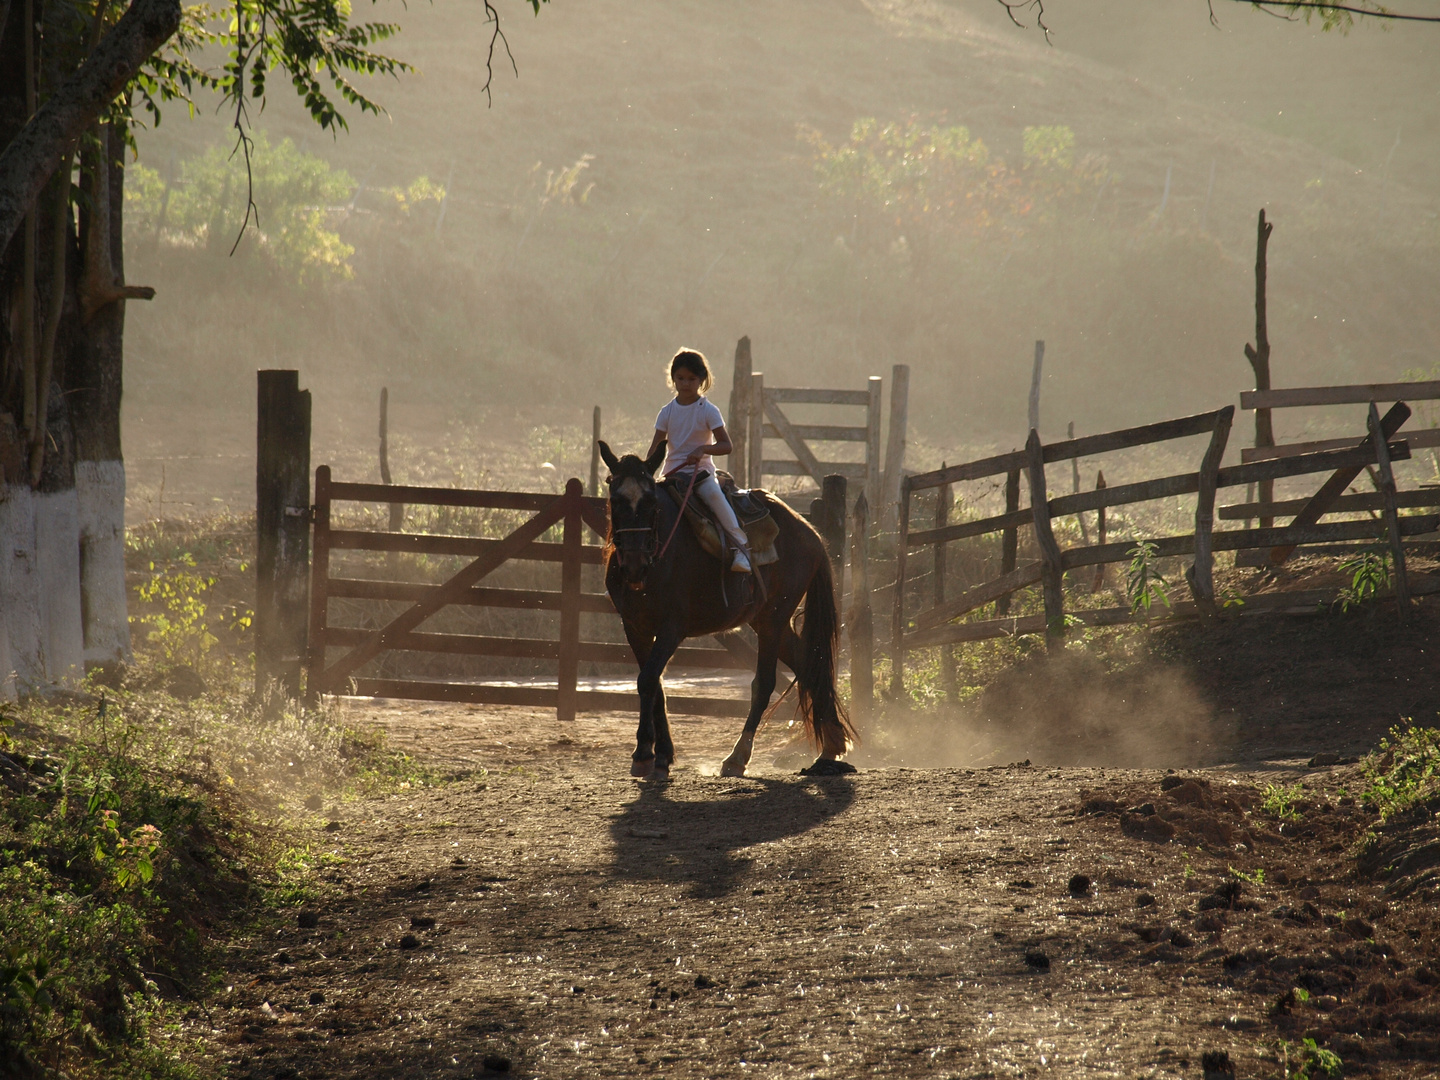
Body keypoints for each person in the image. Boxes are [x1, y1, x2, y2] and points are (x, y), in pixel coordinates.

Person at [646, 348, 753, 572]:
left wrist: (703, 449)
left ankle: (741, 549)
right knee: (644, 508)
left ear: (701, 380)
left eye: (691, 379)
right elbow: (656, 447)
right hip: (671, 476)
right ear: (673, 378)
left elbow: (727, 445)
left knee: (714, 496)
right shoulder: (666, 412)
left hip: (701, 475)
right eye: (680, 378)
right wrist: (645, 471)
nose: (685, 383)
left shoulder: (708, 411)